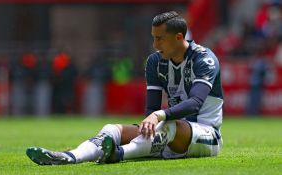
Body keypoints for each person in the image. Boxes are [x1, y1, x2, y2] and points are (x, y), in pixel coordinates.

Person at [26, 11, 223, 165]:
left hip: (206, 135)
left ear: (179, 37)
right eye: (153, 38)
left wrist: (158, 116)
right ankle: (69, 156)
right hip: (167, 131)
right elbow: (151, 110)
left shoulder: (204, 59)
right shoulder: (155, 62)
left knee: (168, 125)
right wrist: (151, 123)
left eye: (160, 38)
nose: (154, 45)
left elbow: (195, 103)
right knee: (112, 129)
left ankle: (118, 154)